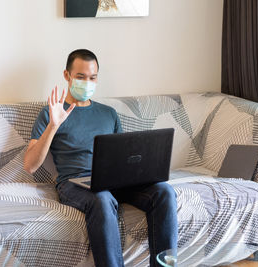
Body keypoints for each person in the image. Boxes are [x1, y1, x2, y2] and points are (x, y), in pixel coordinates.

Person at [23, 49, 177, 267]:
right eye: (80, 77)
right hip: (74, 183)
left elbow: (124, 156)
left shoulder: (108, 113)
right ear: (67, 76)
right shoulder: (51, 113)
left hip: (114, 180)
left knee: (164, 191)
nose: (87, 82)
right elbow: (30, 165)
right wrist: (53, 125)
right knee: (103, 198)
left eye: (92, 78)